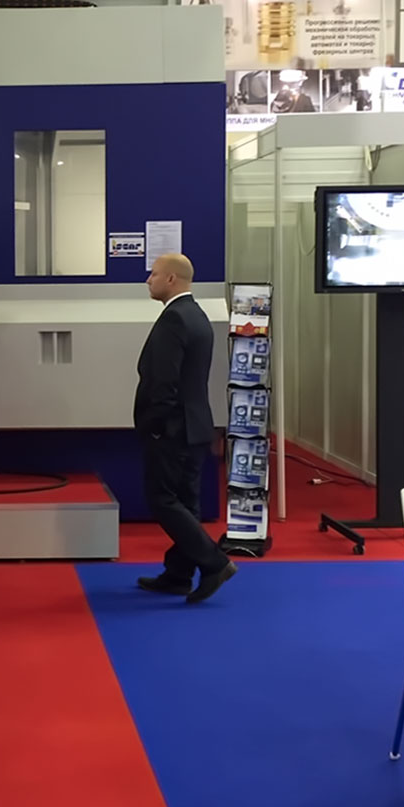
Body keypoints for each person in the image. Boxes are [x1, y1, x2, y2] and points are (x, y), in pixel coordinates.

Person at [133, 253, 237, 605]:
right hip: (195, 426)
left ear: (171, 279)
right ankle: (178, 574)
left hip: (172, 430)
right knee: (186, 502)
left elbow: (164, 381)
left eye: (154, 274)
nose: (148, 280)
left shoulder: (175, 319)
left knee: (163, 499)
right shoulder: (197, 315)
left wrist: (155, 426)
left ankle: (214, 563)